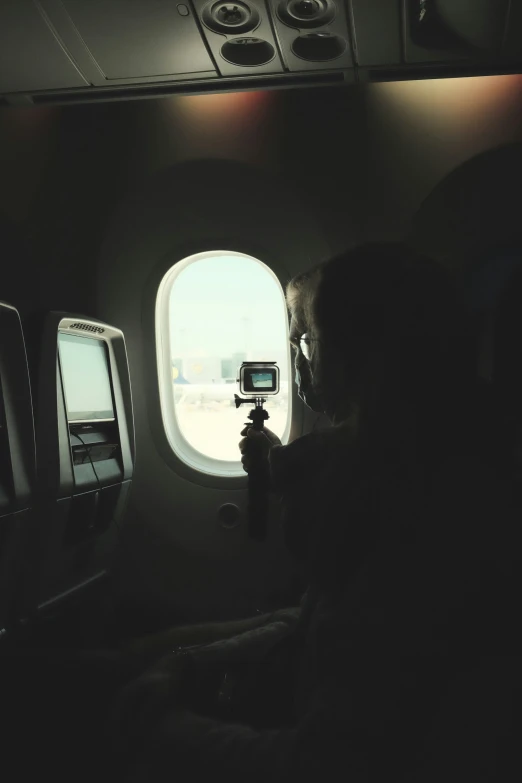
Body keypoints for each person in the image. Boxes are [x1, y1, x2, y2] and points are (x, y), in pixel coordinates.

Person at [109, 243, 521, 782]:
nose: (295, 356)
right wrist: (189, 662)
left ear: (360, 354)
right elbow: (309, 623)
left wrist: (154, 730)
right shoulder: (458, 452)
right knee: (139, 633)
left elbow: (330, 763)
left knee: (105, 682)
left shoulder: (404, 506)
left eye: (305, 339)